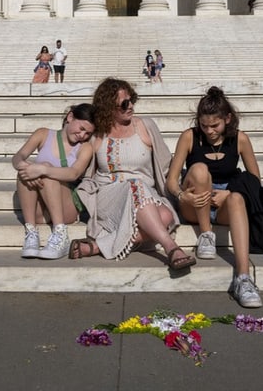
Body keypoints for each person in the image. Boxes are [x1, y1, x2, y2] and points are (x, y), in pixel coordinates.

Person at [68, 77, 195, 270]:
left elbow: (165, 164)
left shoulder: (146, 126)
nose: (130, 106)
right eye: (124, 103)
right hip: (109, 195)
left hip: (146, 192)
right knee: (138, 189)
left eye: (131, 100)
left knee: (166, 216)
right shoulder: (98, 134)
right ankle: (171, 248)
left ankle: (97, 246)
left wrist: (179, 189)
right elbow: (79, 164)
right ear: (109, 107)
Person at [166, 86, 263, 307]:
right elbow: (171, 180)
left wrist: (229, 193)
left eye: (214, 125)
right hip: (195, 203)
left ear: (227, 119)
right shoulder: (189, 137)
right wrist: (182, 196)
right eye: (204, 125)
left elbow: (255, 180)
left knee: (238, 198)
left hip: (224, 204)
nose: (209, 130)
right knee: (200, 169)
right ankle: (206, 235)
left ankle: (243, 277)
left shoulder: (240, 139)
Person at [12, 103, 96, 259]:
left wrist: (42, 169)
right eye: (82, 128)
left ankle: (60, 232)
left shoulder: (85, 147)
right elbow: (18, 157)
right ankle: (31, 232)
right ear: (70, 117)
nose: (82, 135)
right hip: (41, 211)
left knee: (46, 170)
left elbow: (73, 173)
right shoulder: (43, 134)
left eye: (88, 133)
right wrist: (24, 166)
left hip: (67, 207)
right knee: (25, 172)